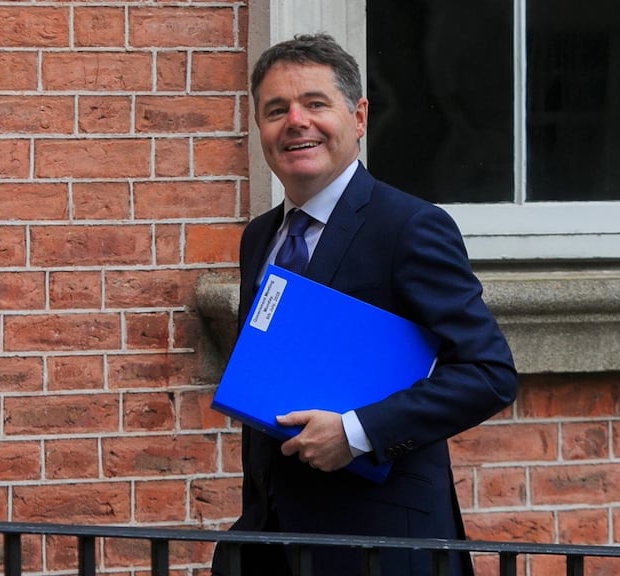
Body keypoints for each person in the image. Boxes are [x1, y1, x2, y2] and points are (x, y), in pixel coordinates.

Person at [212, 33, 518, 576]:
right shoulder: (260, 238)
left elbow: (488, 373)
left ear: (358, 117)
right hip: (269, 542)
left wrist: (357, 433)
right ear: (259, 128)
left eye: (315, 103)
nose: (296, 122)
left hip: (378, 548)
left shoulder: (410, 227)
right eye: (276, 110)